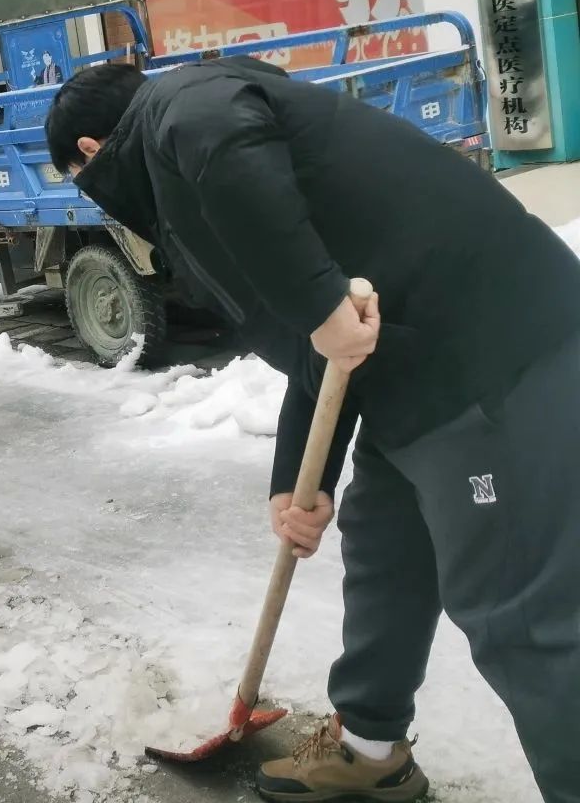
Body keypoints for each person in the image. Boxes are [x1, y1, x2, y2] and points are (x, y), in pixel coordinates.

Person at [44, 59, 580, 803]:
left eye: (79, 178)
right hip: (414, 376)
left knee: (520, 615)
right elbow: (317, 349)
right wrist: (303, 482)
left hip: (491, 361)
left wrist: (321, 305)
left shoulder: (184, 106)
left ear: (94, 151)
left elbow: (316, 300)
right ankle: (370, 749)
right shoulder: (190, 184)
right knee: (384, 551)